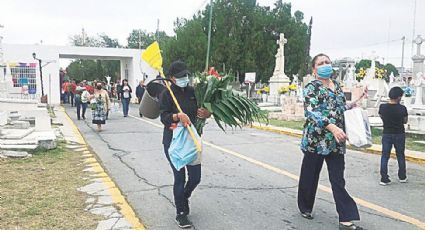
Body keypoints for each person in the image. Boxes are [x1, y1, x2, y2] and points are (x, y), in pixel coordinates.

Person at [298, 54, 367, 230]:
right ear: (314, 70)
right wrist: (332, 127)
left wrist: (355, 102)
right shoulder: (311, 87)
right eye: (320, 63)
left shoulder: (336, 86)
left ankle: (346, 218)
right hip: (316, 140)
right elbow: (312, 113)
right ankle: (305, 206)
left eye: (327, 62)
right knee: (310, 176)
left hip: (336, 141)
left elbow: (339, 107)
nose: (325, 65)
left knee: (338, 179)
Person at [159, 61, 210, 228]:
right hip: (174, 143)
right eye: (181, 77)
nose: (185, 79)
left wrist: (206, 113)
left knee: (195, 178)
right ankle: (181, 213)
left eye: (186, 75)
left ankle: (184, 196)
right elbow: (164, 117)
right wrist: (177, 116)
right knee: (179, 177)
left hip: (192, 141)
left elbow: (199, 113)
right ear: (172, 78)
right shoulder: (166, 94)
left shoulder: (192, 91)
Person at [378, 86, 408, 185]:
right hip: (399, 133)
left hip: (387, 133)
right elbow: (405, 121)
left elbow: (381, 117)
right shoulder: (402, 108)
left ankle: (384, 178)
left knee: (385, 156)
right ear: (399, 97)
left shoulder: (382, 107)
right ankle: (402, 176)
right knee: (400, 155)